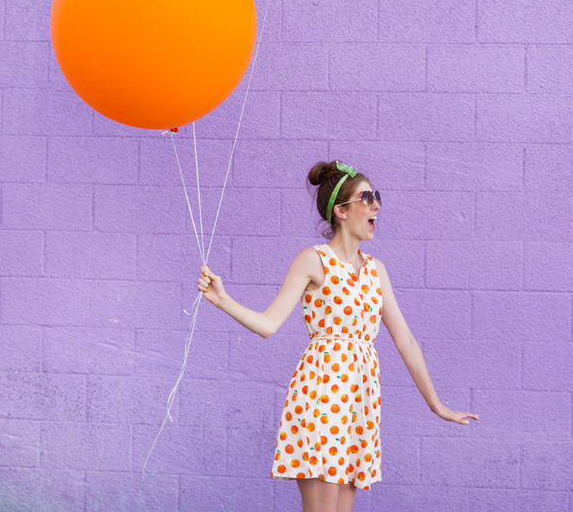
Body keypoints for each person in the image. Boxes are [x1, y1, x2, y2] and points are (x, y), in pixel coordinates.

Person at [198, 160, 478, 512]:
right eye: (367, 197)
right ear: (342, 211)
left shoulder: (376, 270)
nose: (376, 204)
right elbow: (269, 324)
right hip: (321, 396)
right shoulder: (313, 260)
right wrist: (222, 300)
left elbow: (404, 340)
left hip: (360, 402)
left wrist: (436, 404)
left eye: (377, 196)